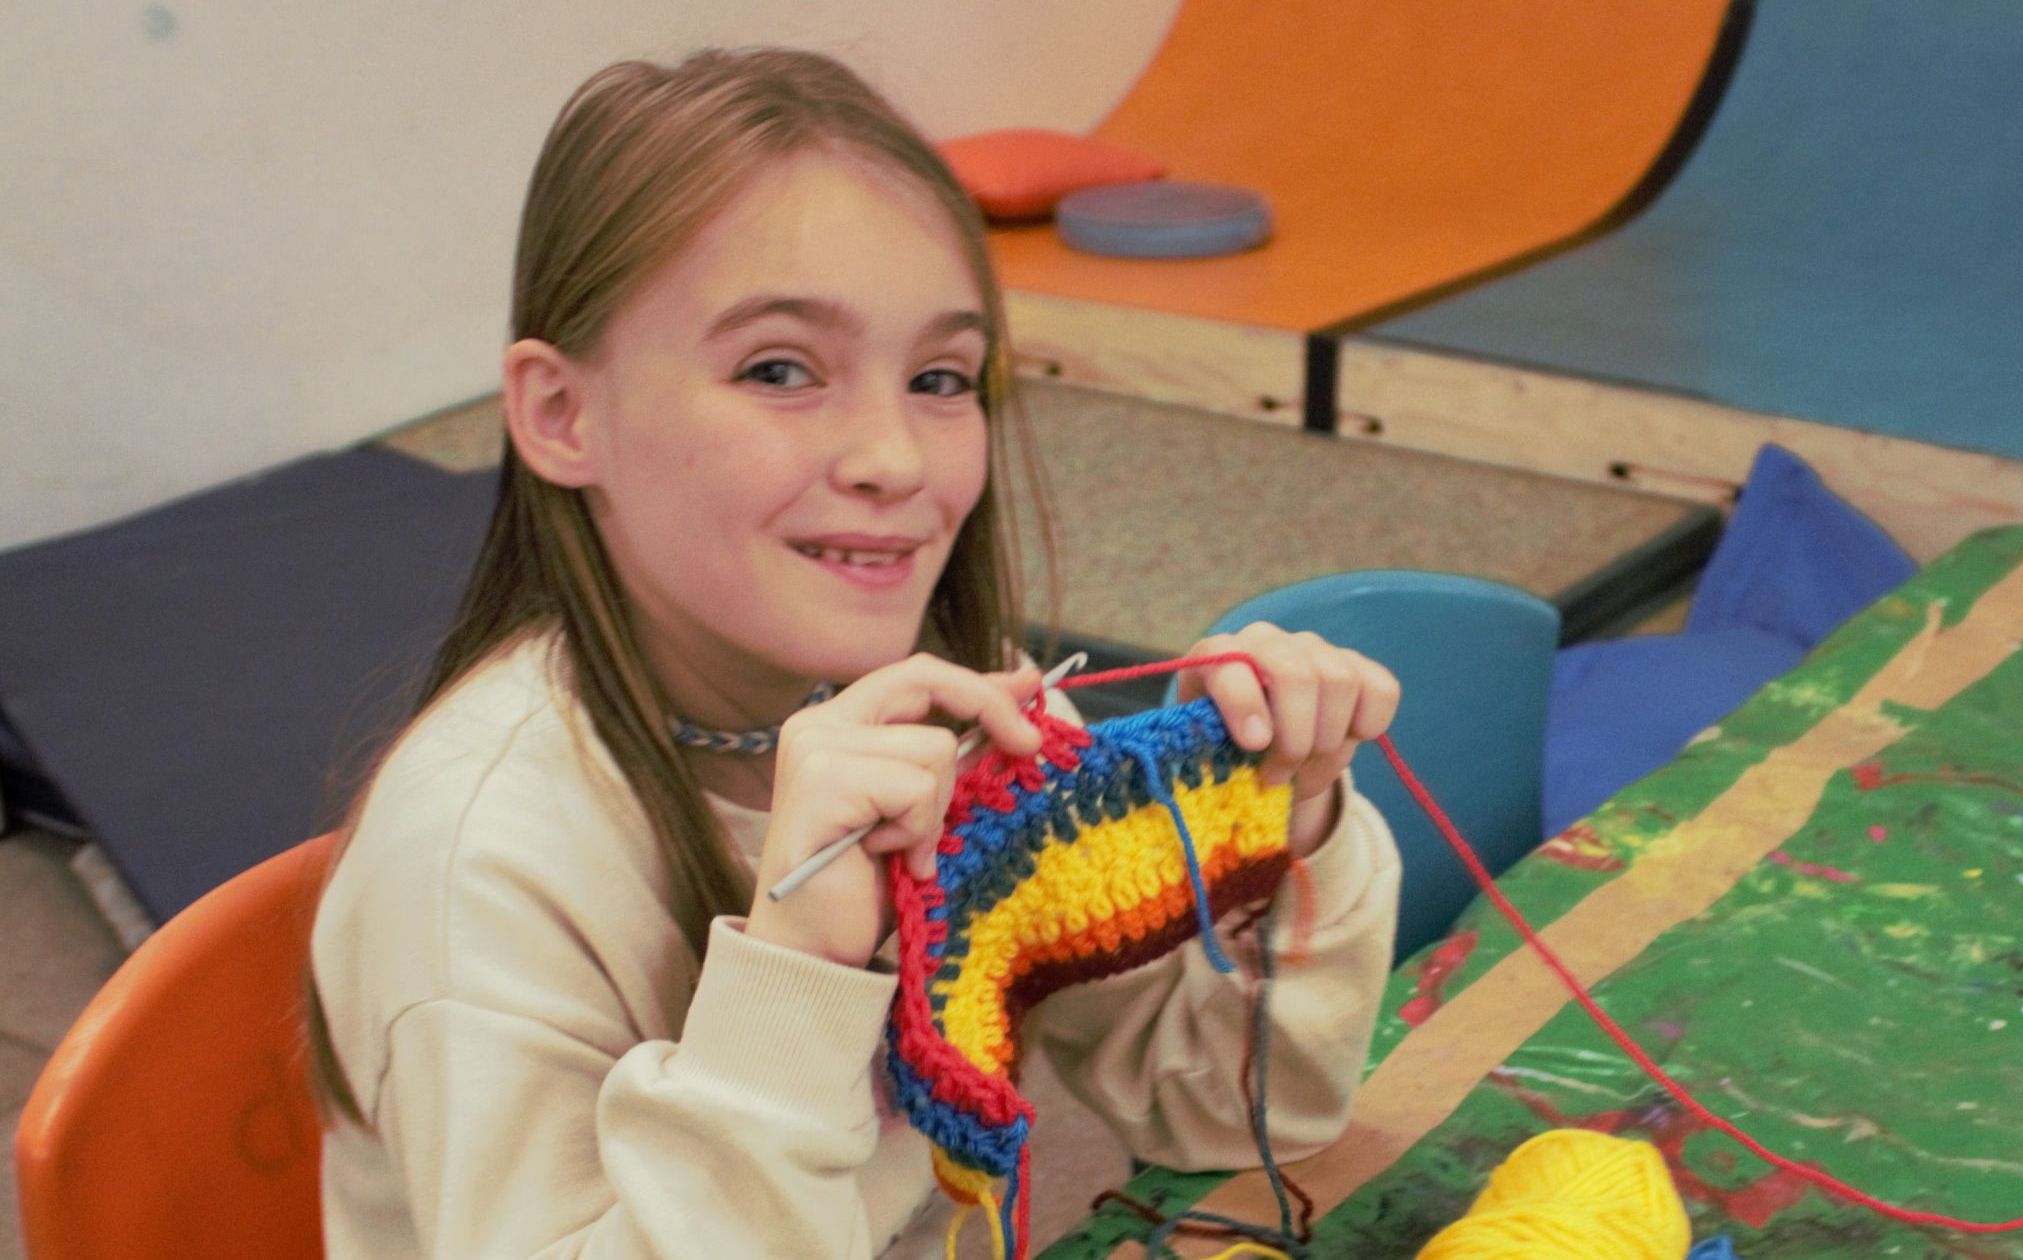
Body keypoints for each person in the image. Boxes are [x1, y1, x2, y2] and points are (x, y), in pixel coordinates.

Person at [308, 46, 1404, 1259]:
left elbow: (1229, 1112)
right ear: (563, 414)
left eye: (940, 377)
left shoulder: (951, 711)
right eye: (778, 370)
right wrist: (795, 970)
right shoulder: (482, 864)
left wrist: (1275, 826)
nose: (893, 457)